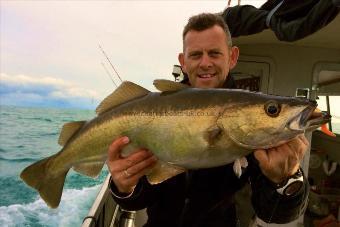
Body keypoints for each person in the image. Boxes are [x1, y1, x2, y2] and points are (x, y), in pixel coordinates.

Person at [106, 13, 309, 227]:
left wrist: (287, 179)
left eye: (214, 53)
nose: (205, 63)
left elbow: (274, 214)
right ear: (183, 62)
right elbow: (142, 198)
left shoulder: (255, 118)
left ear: (232, 57)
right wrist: (124, 186)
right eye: (195, 55)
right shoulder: (156, 110)